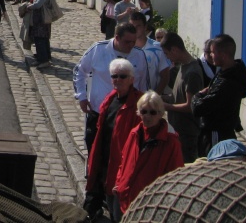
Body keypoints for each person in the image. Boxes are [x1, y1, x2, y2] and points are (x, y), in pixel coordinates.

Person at [73, 22, 149, 156]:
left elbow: (144, 83)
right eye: (127, 42)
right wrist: (82, 97)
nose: (131, 45)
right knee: (96, 150)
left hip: (128, 114)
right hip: (99, 111)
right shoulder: (98, 49)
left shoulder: (139, 55)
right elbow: (79, 71)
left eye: (133, 41)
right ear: (117, 38)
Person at [83, 58, 143, 222]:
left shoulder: (139, 103)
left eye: (122, 76)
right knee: (107, 202)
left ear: (132, 79)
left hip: (122, 164)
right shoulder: (110, 99)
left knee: (119, 211)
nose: (117, 80)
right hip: (105, 160)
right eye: (114, 76)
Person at [114, 91, 184, 216]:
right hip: (126, 201)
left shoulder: (170, 142)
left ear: (161, 114)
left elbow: (176, 175)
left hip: (149, 206)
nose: (147, 116)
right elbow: (124, 161)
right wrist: (119, 183)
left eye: (152, 112)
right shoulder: (134, 133)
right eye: (143, 111)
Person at [191, 34, 246, 157]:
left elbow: (199, 108)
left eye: (213, 52)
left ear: (223, 55)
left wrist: (197, 96)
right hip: (220, 132)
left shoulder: (227, 82)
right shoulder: (226, 73)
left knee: (213, 166)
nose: (211, 55)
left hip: (217, 134)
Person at [160, 32, 203, 163]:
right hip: (178, 130)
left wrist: (166, 106)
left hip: (187, 133)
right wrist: (164, 98)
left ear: (174, 49)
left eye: (167, 54)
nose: (168, 58)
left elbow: (190, 106)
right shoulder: (183, 67)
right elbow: (178, 96)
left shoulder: (192, 73)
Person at [131, 12, 171, 95]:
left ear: (145, 27)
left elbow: (165, 76)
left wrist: (155, 96)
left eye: (138, 26)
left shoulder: (157, 48)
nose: (135, 29)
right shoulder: (125, 48)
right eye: (132, 26)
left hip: (149, 100)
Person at [26, 0, 54, 70]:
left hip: (42, 20)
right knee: (40, 39)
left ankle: (44, 60)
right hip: (38, 19)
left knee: (41, 39)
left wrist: (29, 7)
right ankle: (41, 57)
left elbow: (38, 5)